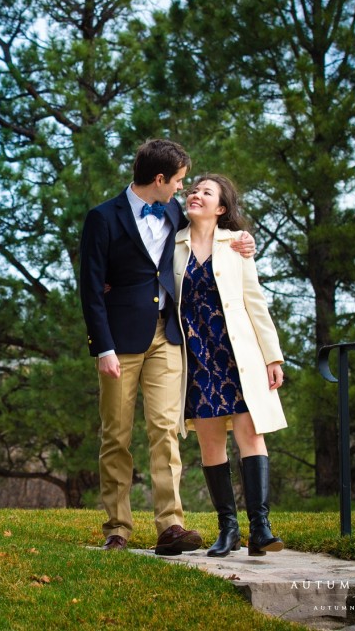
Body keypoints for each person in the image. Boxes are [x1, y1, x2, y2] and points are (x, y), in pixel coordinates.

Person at [79, 139, 254, 554]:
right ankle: (118, 528)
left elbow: (215, 231)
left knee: (166, 431)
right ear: (159, 179)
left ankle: (171, 525)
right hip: (119, 343)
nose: (181, 188)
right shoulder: (103, 218)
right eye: (176, 181)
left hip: (169, 336)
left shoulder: (179, 212)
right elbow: (89, 287)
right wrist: (102, 347)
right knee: (116, 436)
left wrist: (243, 240)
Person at [172, 173, 286, 557]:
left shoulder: (237, 244)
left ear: (221, 208)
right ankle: (228, 529)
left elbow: (255, 300)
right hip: (196, 356)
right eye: (193, 190)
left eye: (206, 192)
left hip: (238, 354)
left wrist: (273, 355)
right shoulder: (173, 244)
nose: (195, 194)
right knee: (210, 442)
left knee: (250, 434)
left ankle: (261, 528)